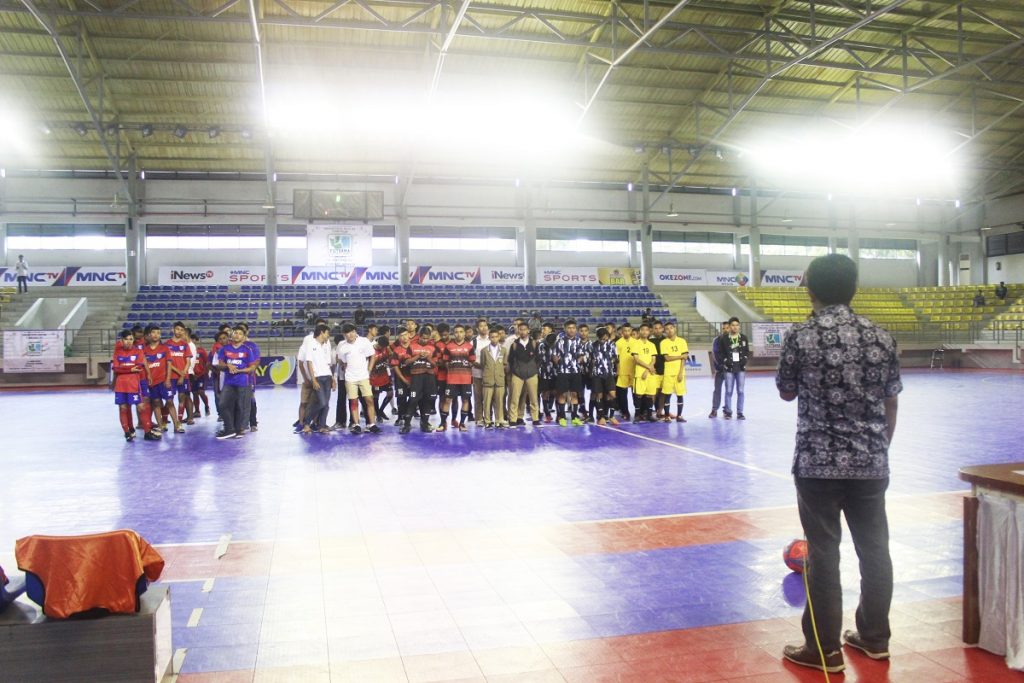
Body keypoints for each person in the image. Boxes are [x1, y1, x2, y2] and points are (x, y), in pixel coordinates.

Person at [776, 253, 902, 674]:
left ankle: (824, 649)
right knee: (875, 550)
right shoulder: (881, 336)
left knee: (824, 554)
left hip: (817, 464)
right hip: (871, 462)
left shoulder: (801, 336)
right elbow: (890, 401)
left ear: (810, 288)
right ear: (854, 287)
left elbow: (786, 391)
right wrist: (878, 447)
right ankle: (874, 637)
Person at [214, 325, 260, 440]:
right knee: (223, 405)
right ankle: (230, 429)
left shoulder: (247, 350)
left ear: (244, 337)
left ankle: (239, 430)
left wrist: (240, 370)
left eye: (240, 333)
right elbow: (219, 365)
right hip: (229, 382)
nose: (237, 335)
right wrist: (227, 365)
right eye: (235, 333)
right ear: (231, 335)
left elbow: (252, 368)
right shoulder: (224, 349)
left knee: (241, 407)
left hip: (243, 382)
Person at [336, 323, 381, 434]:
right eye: (347, 333)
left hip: (364, 376)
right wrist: (348, 372)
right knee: (353, 401)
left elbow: (372, 356)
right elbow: (343, 362)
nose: (350, 334)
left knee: (369, 400)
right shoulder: (342, 347)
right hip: (350, 378)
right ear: (344, 335)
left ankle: (372, 424)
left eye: (352, 331)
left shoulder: (364, 341)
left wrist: (369, 370)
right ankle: (356, 424)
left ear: (356, 331)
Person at [110, 329, 150, 441]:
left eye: (131, 339)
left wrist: (124, 369)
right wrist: (130, 369)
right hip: (120, 385)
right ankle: (128, 431)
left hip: (133, 384)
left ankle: (147, 431)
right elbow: (115, 368)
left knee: (141, 406)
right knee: (123, 408)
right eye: (126, 339)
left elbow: (138, 367)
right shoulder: (117, 352)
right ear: (122, 341)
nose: (129, 341)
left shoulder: (138, 352)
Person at [401, 325, 439, 434]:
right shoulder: (411, 346)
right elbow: (406, 362)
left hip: (429, 377)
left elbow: (435, 364)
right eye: (423, 338)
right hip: (416, 377)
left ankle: (424, 423)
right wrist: (418, 356)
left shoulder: (433, 348)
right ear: (419, 337)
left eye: (427, 338)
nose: (425, 340)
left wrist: (427, 357)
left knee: (427, 400)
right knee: (413, 400)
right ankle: (407, 424)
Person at [143, 325, 179, 434]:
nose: (156, 335)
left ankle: (177, 425)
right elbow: (144, 366)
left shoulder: (165, 348)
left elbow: (169, 365)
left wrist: (168, 379)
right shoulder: (144, 350)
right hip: (152, 383)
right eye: (153, 332)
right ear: (149, 335)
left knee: (169, 402)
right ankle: (160, 426)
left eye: (158, 333)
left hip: (163, 381)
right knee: (156, 403)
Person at [439, 324, 475, 432]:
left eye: (461, 332)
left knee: (465, 400)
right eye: (456, 332)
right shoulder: (448, 346)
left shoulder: (469, 346)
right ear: (453, 334)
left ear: (464, 333)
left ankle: (462, 423)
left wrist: (465, 366)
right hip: (452, 379)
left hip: (465, 379)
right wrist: (451, 369)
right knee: (447, 400)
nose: (458, 334)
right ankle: (443, 423)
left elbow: (472, 361)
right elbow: (445, 361)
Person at [300, 323, 335, 435]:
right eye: (327, 333)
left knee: (326, 404)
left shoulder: (326, 345)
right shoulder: (310, 344)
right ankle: (306, 423)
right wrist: (313, 379)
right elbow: (309, 362)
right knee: (322, 403)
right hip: (318, 378)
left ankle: (321, 426)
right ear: (322, 332)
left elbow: (328, 363)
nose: (328, 335)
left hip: (327, 376)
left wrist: (333, 378)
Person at [507, 322, 540, 427]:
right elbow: (510, 360)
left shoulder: (535, 344)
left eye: (525, 329)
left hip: (532, 375)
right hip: (517, 375)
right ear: (518, 331)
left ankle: (535, 419)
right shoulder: (514, 345)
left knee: (534, 398)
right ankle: (513, 419)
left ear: (528, 330)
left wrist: (533, 370)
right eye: (520, 329)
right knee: (514, 398)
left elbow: (538, 360)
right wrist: (516, 371)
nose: (523, 331)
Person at [553, 319, 585, 426]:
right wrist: (559, 363)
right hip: (563, 371)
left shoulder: (579, 341)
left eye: (573, 328)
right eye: (569, 328)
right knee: (562, 394)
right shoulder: (559, 341)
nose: (571, 330)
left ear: (576, 329)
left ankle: (574, 417)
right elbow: (554, 355)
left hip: (575, 372)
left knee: (574, 394)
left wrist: (579, 360)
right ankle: (562, 417)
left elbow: (581, 355)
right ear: (565, 329)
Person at [720, 316, 750, 420]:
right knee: (728, 390)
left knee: (740, 391)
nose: (735, 327)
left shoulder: (743, 338)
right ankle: (728, 412)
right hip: (729, 368)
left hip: (740, 368)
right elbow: (720, 353)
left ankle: (740, 412)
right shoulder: (724, 339)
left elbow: (746, 351)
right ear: (729, 326)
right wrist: (725, 361)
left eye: (737, 325)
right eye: (733, 325)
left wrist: (745, 359)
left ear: (739, 327)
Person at [165, 322, 194, 429]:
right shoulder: (167, 344)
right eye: (177, 329)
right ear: (173, 329)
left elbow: (188, 362)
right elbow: (167, 363)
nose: (179, 332)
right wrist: (178, 371)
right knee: (169, 399)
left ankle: (179, 422)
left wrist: (182, 375)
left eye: (182, 330)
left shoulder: (185, 345)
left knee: (182, 397)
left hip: (183, 377)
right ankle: (165, 420)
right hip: (171, 376)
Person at [588, 326, 619, 426]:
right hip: (597, 374)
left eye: (606, 336)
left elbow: (616, 359)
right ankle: (601, 417)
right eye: (602, 337)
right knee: (599, 395)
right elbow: (591, 360)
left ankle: (612, 416)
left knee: (612, 394)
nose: (604, 339)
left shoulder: (612, 345)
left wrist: (617, 370)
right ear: (598, 337)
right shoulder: (593, 345)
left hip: (609, 373)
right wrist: (591, 372)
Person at [658, 322, 689, 422]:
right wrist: (680, 356)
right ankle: (667, 416)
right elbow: (667, 358)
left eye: (671, 328)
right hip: (668, 373)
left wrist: (680, 372)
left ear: (675, 329)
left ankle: (679, 416)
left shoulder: (682, 341)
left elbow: (685, 358)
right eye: (666, 329)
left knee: (680, 394)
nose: (669, 330)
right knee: (667, 395)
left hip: (679, 373)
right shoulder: (663, 343)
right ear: (665, 331)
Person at [479, 326, 509, 428]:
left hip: (500, 379)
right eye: (492, 337)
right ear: (489, 338)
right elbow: (483, 364)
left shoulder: (504, 350)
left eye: (496, 337)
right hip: (488, 379)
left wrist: (499, 372)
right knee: (487, 402)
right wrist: (489, 372)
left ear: (499, 337)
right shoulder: (484, 351)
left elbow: (504, 364)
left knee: (500, 401)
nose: (494, 339)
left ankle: (499, 419)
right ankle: (487, 420)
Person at [630, 323, 658, 422]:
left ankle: (649, 415)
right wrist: (649, 368)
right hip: (639, 373)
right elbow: (636, 359)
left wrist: (647, 370)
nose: (645, 331)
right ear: (640, 331)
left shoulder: (652, 345)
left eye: (647, 330)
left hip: (650, 373)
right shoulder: (635, 344)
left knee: (650, 394)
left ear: (649, 332)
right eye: (643, 330)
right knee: (639, 394)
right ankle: (637, 415)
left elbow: (653, 359)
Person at [369, 335, 393, 424]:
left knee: (390, 393)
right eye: (382, 347)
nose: (383, 348)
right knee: (376, 397)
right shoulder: (371, 351)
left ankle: (380, 411)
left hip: (385, 376)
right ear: (378, 344)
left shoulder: (385, 348)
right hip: (375, 378)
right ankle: (378, 415)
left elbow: (391, 355)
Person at [470, 318, 490, 422]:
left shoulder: (492, 340)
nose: (484, 328)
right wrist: (477, 364)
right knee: (478, 397)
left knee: (489, 397)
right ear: (477, 329)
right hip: (477, 373)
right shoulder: (473, 342)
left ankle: (488, 418)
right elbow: (469, 358)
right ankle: (478, 418)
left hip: (490, 374)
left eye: (485, 325)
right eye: (481, 326)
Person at [708, 322, 729, 418]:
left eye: (727, 328)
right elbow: (715, 354)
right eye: (723, 328)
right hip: (720, 370)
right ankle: (714, 410)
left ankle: (727, 410)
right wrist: (721, 366)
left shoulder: (734, 340)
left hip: (730, 371)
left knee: (729, 391)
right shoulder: (716, 340)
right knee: (717, 390)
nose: (725, 330)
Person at [614, 323, 635, 420]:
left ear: (631, 331)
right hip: (622, 371)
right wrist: (618, 370)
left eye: (628, 330)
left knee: (636, 393)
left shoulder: (636, 342)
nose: (626, 332)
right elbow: (616, 359)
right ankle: (625, 412)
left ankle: (638, 411)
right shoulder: (618, 343)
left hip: (634, 371)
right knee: (623, 395)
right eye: (624, 331)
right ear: (622, 332)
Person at [190, 333, 211, 417]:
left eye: (193, 339)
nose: (191, 341)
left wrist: (204, 373)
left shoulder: (202, 351)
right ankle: (197, 411)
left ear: (196, 341)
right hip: (192, 376)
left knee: (201, 391)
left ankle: (206, 406)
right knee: (195, 393)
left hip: (201, 375)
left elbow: (207, 363)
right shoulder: (188, 351)